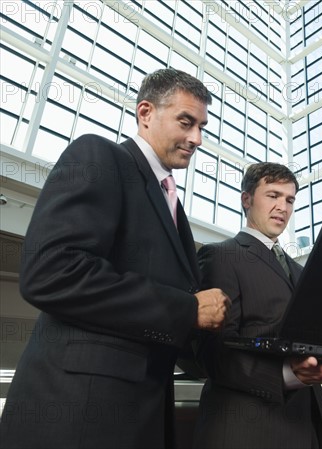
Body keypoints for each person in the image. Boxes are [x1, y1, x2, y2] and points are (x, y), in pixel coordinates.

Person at [0, 68, 230, 449]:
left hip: (137, 418)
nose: (197, 138)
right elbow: (50, 271)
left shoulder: (173, 207)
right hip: (76, 417)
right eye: (186, 122)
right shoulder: (99, 156)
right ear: (145, 113)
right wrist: (187, 309)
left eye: (202, 127)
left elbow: (164, 324)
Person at [191, 162, 322, 448]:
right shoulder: (221, 256)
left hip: (307, 423)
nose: (283, 206)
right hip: (247, 429)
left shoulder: (301, 270)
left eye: (289, 199)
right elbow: (213, 353)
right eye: (273, 195)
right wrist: (289, 375)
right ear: (246, 199)